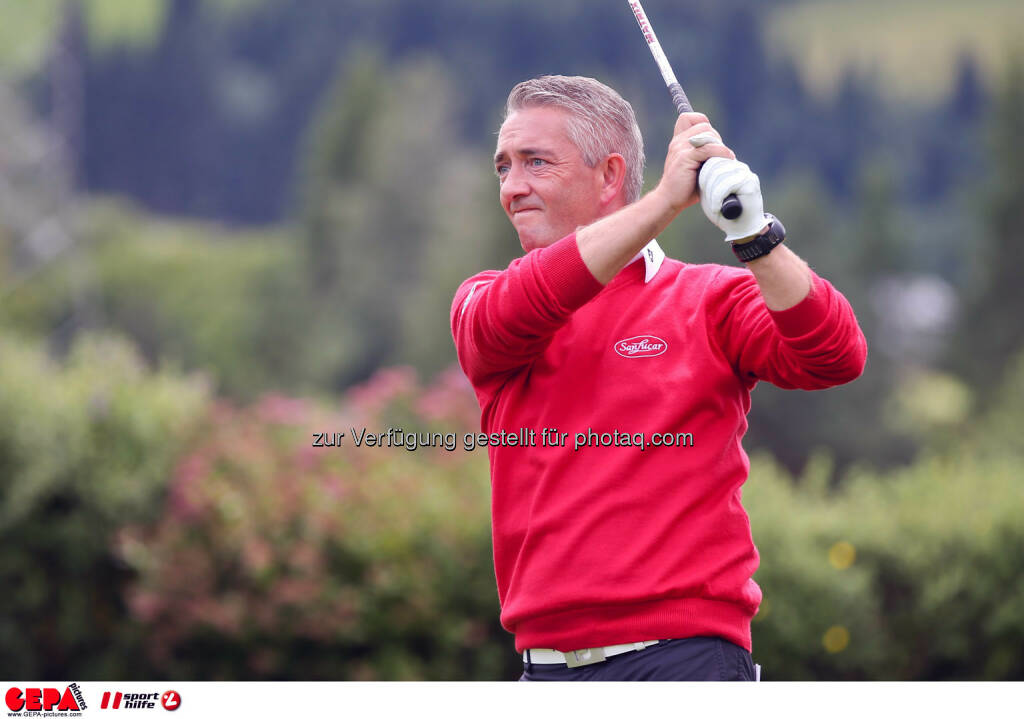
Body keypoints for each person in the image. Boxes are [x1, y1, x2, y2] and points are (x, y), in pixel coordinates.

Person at [450, 75, 867, 681]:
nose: (512, 187)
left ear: (609, 176)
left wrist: (754, 234)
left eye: (535, 163)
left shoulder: (710, 300)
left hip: (684, 661)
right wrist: (668, 201)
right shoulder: (487, 302)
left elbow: (836, 354)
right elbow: (540, 292)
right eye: (504, 167)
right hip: (543, 673)